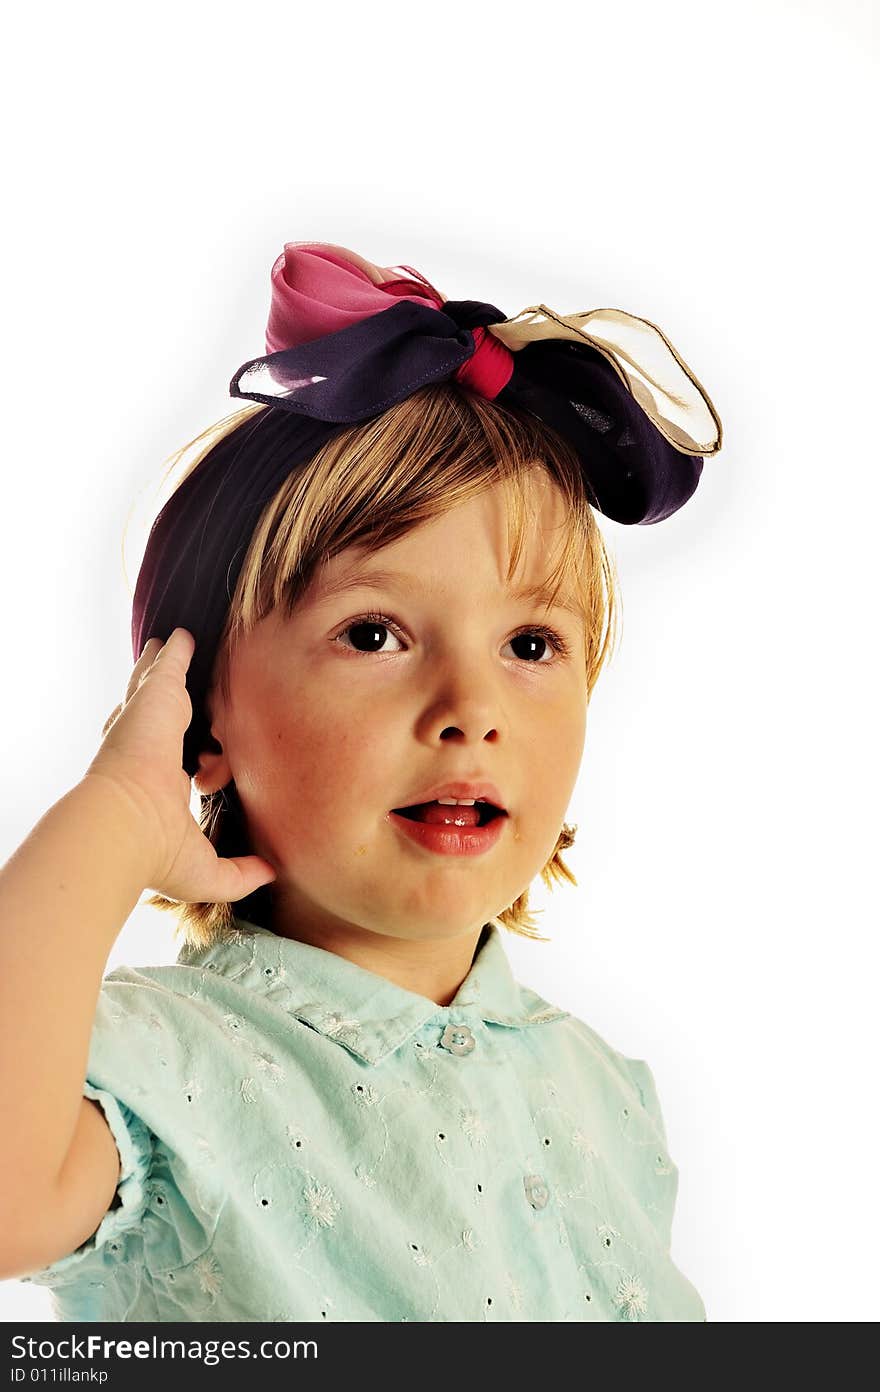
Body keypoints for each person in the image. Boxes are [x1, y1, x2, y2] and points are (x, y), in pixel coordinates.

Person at [0, 242, 722, 1322]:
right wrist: (115, 815)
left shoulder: (606, 1093)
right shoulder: (154, 1069)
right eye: (375, 632)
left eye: (530, 646)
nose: (469, 707)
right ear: (196, 710)